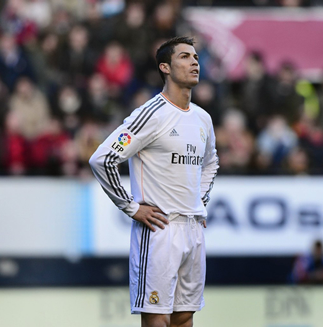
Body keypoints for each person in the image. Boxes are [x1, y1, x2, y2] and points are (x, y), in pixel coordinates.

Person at [89, 36, 219, 327]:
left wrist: (201, 200)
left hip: (194, 227)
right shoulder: (150, 114)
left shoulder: (202, 119)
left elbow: (211, 162)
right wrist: (131, 207)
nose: (194, 62)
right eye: (184, 56)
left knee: (184, 316)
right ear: (165, 67)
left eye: (196, 57)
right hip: (161, 228)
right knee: (157, 318)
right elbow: (102, 158)